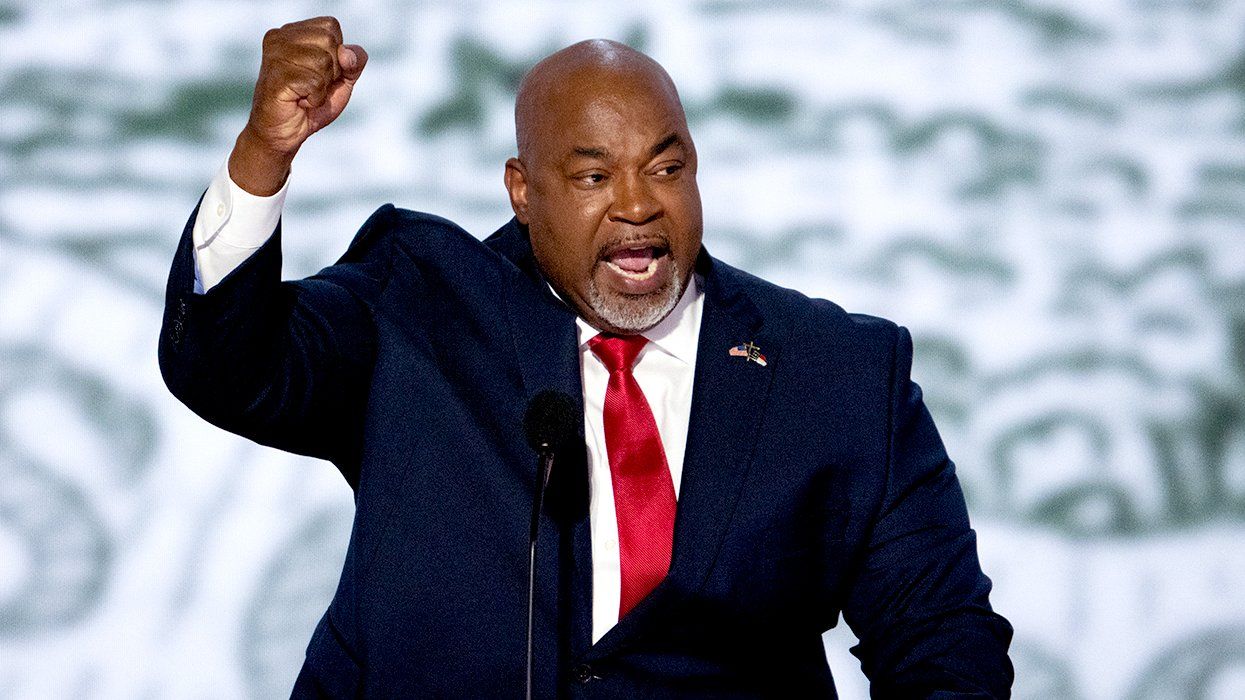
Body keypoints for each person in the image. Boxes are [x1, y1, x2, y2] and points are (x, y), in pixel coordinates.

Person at [159, 15, 1014, 698]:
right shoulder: (419, 308)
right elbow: (230, 366)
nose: (639, 204)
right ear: (523, 191)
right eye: (594, 176)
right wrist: (261, 158)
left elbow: (941, 642)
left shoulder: (837, 373)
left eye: (666, 166)